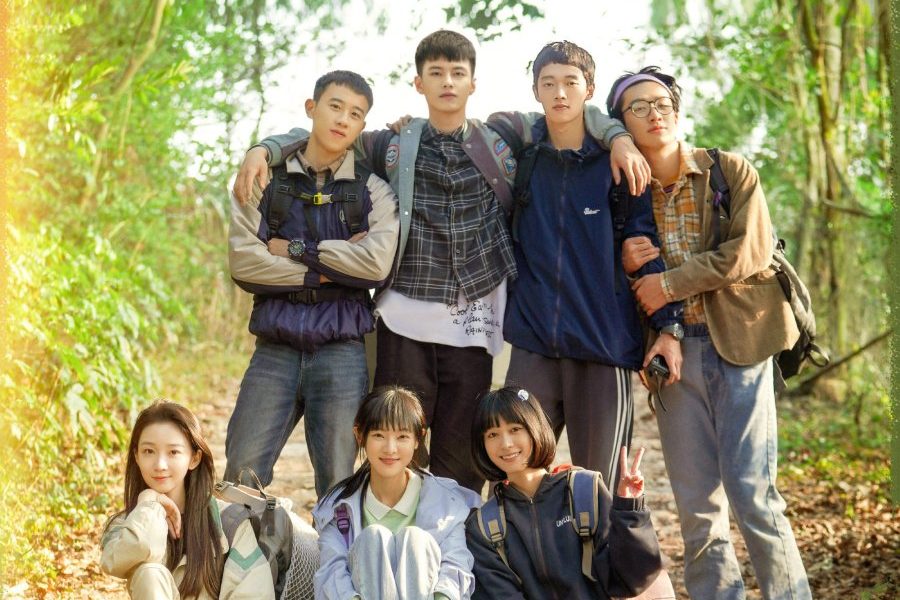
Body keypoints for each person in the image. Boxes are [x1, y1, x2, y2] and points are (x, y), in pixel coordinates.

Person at [231, 30, 650, 494]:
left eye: (457, 73)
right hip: (405, 318)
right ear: (419, 83)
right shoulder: (393, 144)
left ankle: (457, 539)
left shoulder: (502, 135)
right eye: (436, 73)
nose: (447, 82)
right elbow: (328, 136)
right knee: (397, 444)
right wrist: (264, 149)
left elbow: (571, 112)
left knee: (463, 455)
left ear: (473, 83)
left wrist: (619, 138)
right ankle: (393, 530)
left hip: (473, 322)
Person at [608, 66, 811, 599]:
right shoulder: (622, 196)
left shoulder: (729, 171)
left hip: (741, 347)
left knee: (753, 495)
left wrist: (669, 284)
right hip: (671, 362)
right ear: (621, 125)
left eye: (662, 103)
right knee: (698, 509)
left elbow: (750, 252)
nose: (654, 114)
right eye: (638, 107)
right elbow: (607, 281)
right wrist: (622, 263)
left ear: (677, 111)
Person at [486, 41, 683, 485]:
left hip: (603, 346)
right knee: (516, 476)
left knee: (602, 484)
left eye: (570, 83)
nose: (560, 93)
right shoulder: (523, 161)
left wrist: (668, 328)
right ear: (535, 91)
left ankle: (609, 537)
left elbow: (645, 250)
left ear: (589, 89)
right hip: (533, 343)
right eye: (548, 83)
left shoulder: (619, 167)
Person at [226, 70, 399, 496]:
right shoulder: (266, 178)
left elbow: (375, 265)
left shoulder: (373, 190)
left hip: (342, 352)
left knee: (338, 484)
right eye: (335, 106)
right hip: (274, 349)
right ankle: (243, 545)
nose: (343, 119)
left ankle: (333, 546)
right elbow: (245, 264)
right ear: (312, 108)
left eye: (355, 114)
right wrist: (330, 267)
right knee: (241, 473)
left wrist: (294, 250)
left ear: (362, 126)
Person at [465, 386, 671, 600]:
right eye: (493, 434)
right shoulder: (483, 528)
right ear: (482, 444)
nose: (506, 444)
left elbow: (632, 580)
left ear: (536, 428)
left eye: (515, 429)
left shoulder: (585, 491)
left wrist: (630, 510)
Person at [312, 386, 482, 600]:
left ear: (418, 437)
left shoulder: (446, 501)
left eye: (402, 436)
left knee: (415, 540)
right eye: (379, 435)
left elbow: (455, 566)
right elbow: (331, 572)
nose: (390, 449)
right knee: (373, 538)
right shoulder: (338, 506)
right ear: (359, 435)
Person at [100, 400, 274, 600]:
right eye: (149, 451)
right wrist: (149, 502)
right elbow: (118, 561)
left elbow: (255, 594)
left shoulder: (229, 522)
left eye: (173, 452)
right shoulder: (127, 525)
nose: (160, 464)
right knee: (149, 573)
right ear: (136, 456)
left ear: (194, 458)